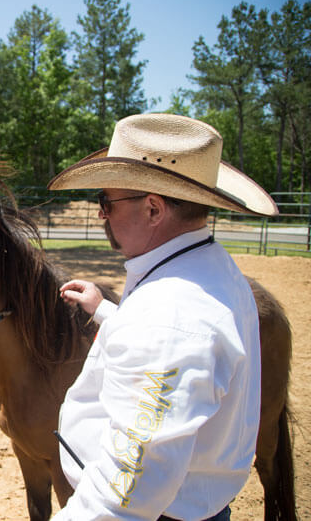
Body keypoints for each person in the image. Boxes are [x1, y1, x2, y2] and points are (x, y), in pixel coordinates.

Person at [47, 113, 278, 521]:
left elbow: (120, 498)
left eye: (106, 202)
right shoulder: (203, 267)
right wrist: (104, 310)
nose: (102, 215)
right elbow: (163, 350)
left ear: (153, 209)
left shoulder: (169, 317)